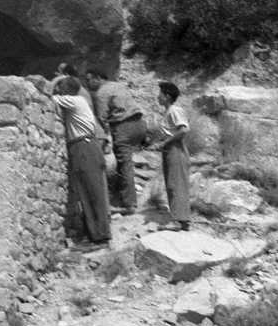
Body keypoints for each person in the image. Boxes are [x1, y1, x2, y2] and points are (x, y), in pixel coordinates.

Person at [52, 74, 111, 246]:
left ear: (66, 90)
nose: (59, 90)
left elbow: (51, 97)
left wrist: (55, 81)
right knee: (87, 191)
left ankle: (101, 235)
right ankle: (95, 235)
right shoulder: (79, 101)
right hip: (84, 147)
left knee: (92, 191)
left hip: (84, 148)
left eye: (61, 87)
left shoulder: (74, 100)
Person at [84, 66, 150, 214]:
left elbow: (101, 118)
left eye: (89, 80)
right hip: (140, 124)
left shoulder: (101, 93)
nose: (87, 84)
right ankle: (127, 197)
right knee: (127, 161)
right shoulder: (119, 85)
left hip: (123, 126)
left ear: (98, 78)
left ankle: (129, 204)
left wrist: (103, 136)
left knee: (124, 164)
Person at [155, 81, 191, 231]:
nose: (158, 97)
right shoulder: (168, 111)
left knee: (176, 183)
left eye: (160, 94)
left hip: (175, 149)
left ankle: (178, 220)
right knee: (172, 183)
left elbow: (183, 130)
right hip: (170, 149)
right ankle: (181, 219)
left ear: (167, 96)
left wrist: (165, 143)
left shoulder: (174, 110)